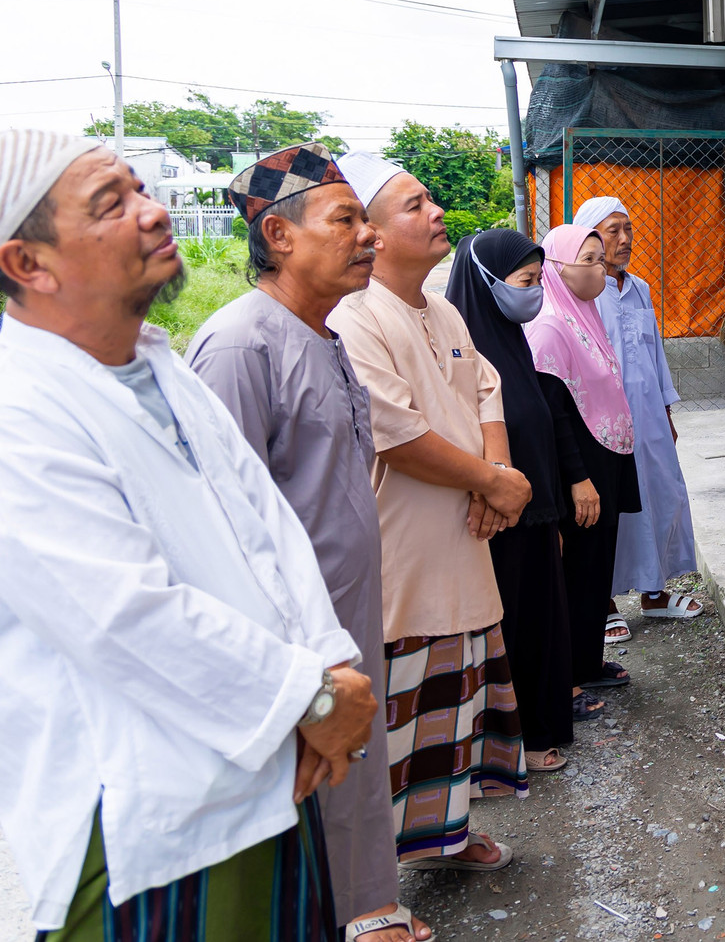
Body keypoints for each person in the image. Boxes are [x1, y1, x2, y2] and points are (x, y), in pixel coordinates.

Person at [0, 129, 375, 940]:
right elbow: (123, 617)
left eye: (139, 188)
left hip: (271, 769)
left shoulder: (157, 366)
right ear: (29, 264)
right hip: (147, 827)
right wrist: (310, 694)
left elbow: (266, 527)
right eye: (112, 203)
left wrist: (332, 664)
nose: (153, 211)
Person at [186, 144, 425, 942]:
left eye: (367, 219)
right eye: (346, 219)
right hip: (288, 634)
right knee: (305, 776)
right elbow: (221, 527)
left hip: (345, 607)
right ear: (280, 236)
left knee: (353, 765)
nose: (369, 237)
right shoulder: (238, 346)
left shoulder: (322, 335)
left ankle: (361, 908)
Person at [327, 153, 529, 871]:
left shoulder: (441, 307)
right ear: (373, 234)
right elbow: (397, 431)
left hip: (465, 528)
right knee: (403, 709)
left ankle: (444, 832)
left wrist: (496, 476)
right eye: (415, 205)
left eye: (430, 198)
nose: (437, 210)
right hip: (405, 546)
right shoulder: (355, 318)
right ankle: (374, 873)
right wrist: (495, 484)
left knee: (461, 695)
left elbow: (484, 388)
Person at [447, 229, 597, 770]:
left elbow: (545, 421)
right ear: (487, 284)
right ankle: (511, 744)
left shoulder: (512, 340)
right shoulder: (460, 350)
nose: (534, 292)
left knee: (539, 625)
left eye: (538, 280)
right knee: (510, 630)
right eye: (525, 281)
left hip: (533, 513)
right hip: (493, 518)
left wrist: (551, 509)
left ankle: (536, 730)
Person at [527, 219, 646, 709]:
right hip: (583, 467)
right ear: (557, 268)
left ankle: (588, 661)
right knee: (577, 568)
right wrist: (578, 478)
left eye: (602, 260)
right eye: (591, 260)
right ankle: (571, 671)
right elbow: (555, 413)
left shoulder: (584, 314)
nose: (602, 269)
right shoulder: (551, 326)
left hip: (607, 454)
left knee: (597, 566)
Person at [579, 196, 704, 630]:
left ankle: (654, 592)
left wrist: (667, 412)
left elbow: (655, 354)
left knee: (657, 495)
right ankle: (603, 601)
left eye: (628, 228)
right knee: (611, 504)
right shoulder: (583, 293)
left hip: (649, 413)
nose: (625, 238)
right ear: (590, 237)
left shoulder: (640, 288)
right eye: (613, 230)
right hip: (602, 419)